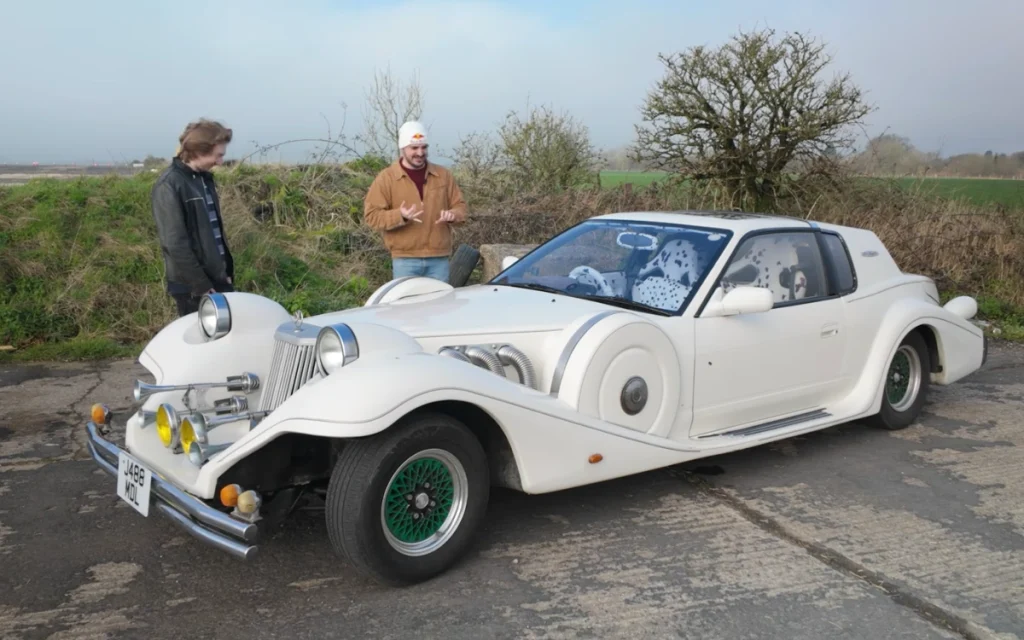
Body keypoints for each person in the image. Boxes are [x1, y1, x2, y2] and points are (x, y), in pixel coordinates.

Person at [150, 119, 236, 317]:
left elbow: (212, 235)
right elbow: (174, 244)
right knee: (202, 346)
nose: (220, 162)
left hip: (216, 281)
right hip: (193, 288)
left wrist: (224, 275)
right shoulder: (169, 185)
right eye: (218, 155)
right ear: (199, 151)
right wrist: (202, 285)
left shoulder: (204, 179)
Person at [364, 120, 468, 282]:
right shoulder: (386, 178)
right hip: (404, 260)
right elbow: (372, 216)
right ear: (402, 148)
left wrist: (453, 215)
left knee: (439, 307)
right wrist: (400, 216)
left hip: (439, 258)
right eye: (414, 148)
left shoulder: (444, 175)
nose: (420, 152)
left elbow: (460, 207)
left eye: (424, 147)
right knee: (407, 307)